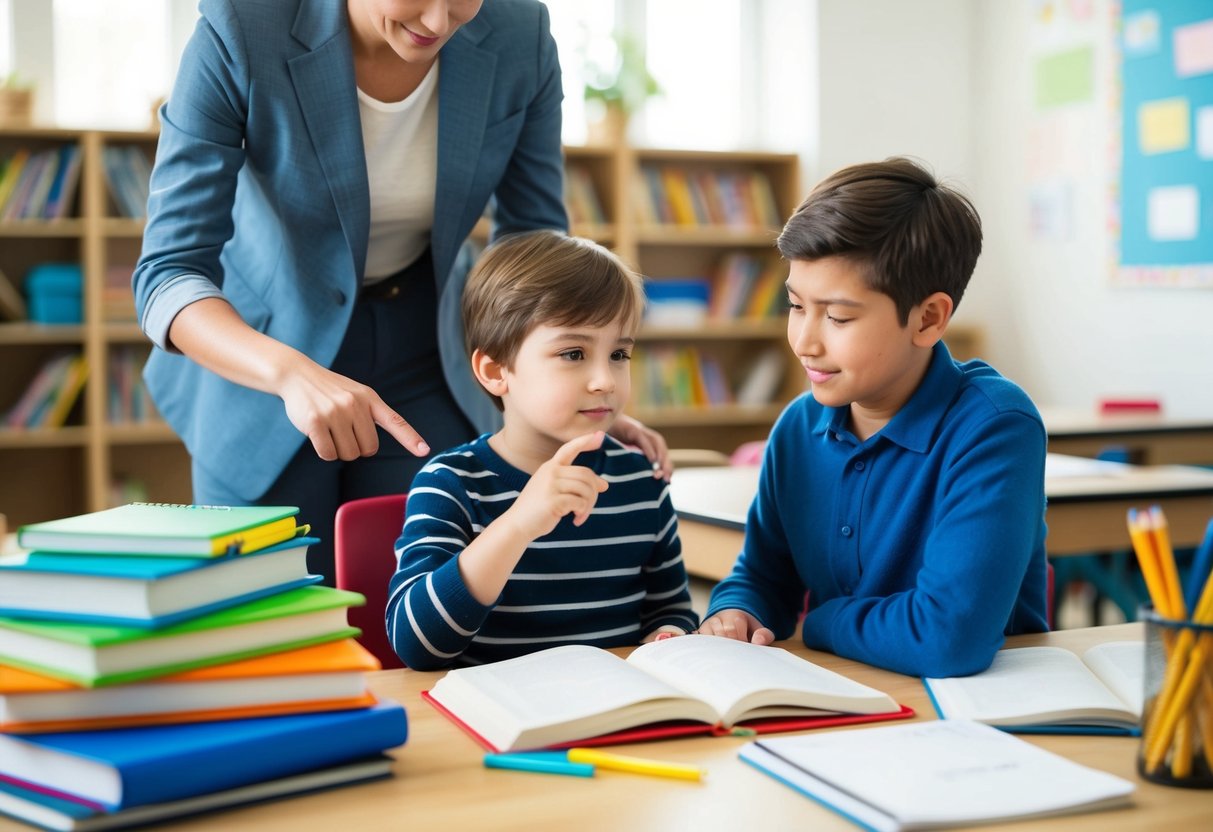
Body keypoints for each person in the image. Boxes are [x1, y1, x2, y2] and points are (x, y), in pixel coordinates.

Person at [131, 0, 669, 583]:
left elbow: (533, 253)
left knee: (418, 605)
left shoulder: (521, 33)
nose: (439, 23)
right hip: (263, 348)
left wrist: (572, 391)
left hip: (429, 336)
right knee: (266, 616)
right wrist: (289, 373)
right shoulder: (242, 23)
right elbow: (169, 271)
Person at [699, 157, 1048, 678]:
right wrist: (737, 612)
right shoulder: (798, 428)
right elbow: (765, 574)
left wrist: (821, 621)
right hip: (849, 701)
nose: (805, 342)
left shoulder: (995, 428)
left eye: (838, 317)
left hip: (980, 720)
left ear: (928, 318)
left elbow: (948, 637)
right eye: (796, 306)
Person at [386, 231, 700, 669]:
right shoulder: (451, 484)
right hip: (494, 727)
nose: (605, 380)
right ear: (496, 371)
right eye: (573, 353)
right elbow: (416, 643)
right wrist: (519, 524)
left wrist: (671, 634)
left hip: (614, 716)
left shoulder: (639, 478)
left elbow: (671, 608)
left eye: (619, 355)